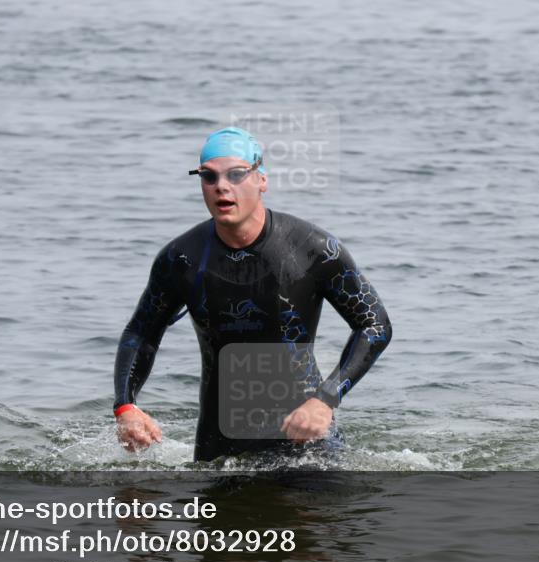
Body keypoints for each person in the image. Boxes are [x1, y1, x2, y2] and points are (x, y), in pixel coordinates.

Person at [112, 127, 392, 462]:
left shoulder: (312, 249)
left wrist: (326, 399)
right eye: (208, 176)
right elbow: (141, 333)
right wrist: (126, 407)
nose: (221, 186)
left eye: (236, 174)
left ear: (261, 180)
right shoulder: (181, 259)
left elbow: (375, 325)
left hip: (306, 444)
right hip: (219, 444)